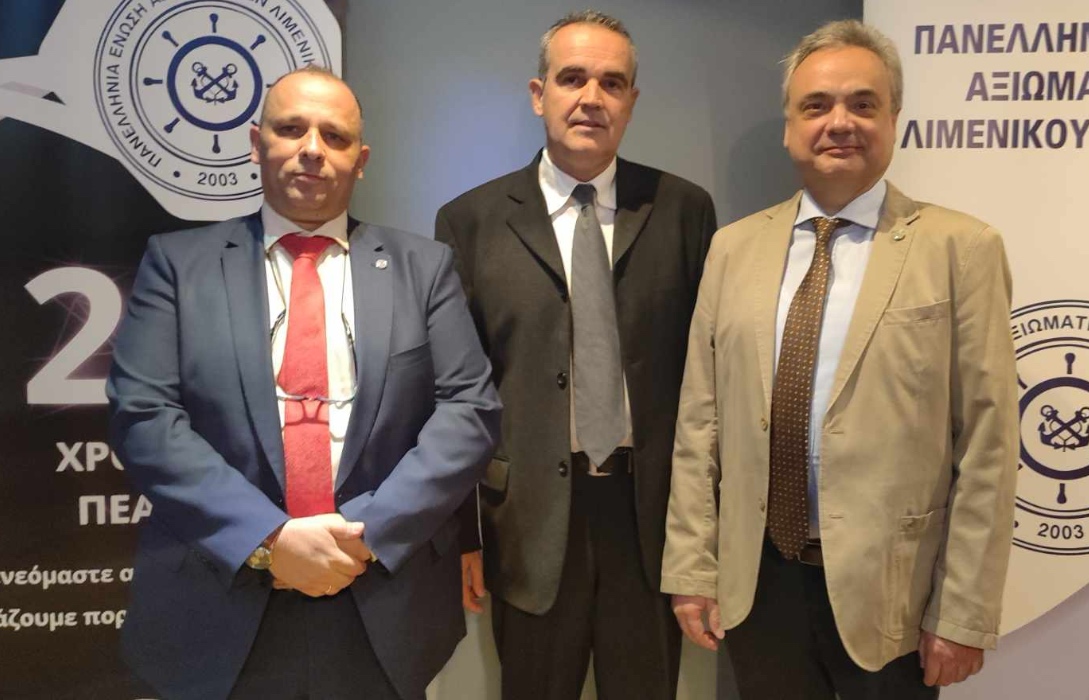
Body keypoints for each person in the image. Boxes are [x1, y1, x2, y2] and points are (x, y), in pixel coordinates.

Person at [107, 66, 500, 700]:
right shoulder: (177, 265)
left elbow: (469, 411)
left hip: (380, 601)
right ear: (255, 143)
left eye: (334, 136)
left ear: (360, 160)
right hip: (220, 598)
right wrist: (269, 540)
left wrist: (365, 536)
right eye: (291, 129)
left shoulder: (424, 269)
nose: (312, 149)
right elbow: (144, 417)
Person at [661, 19, 1018, 700]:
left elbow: (989, 445)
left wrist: (963, 612)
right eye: (816, 105)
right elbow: (699, 425)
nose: (840, 122)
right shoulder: (733, 249)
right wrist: (691, 569)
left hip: (894, 596)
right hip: (756, 586)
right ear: (789, 127)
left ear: (894, 119)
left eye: (863, 103)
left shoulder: (961, 249)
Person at [434, 10, 716, 700]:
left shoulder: (684, 211)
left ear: (632, 101)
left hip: (649, 522)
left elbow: (709, 382)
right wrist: (462, 534)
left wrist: (707, 534)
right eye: (572, 78)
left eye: (612, 83)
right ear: (539, 94)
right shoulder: (470, 221)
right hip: (527, 525)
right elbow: (453, 396)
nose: (592, 97)